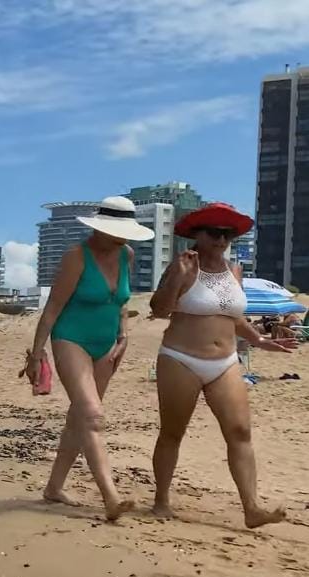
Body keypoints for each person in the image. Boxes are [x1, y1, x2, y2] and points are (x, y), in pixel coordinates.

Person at [147, 203, 291, 528]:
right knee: (172, 432)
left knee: (240, 431)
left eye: (227, 234)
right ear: (197, 234)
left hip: (225, 361)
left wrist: (260, 340)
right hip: (180, 358)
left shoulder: (234, 271)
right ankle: (161, 501)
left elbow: (234, 317)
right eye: (214, 232)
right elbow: (159, 310)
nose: (221, 239)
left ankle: (252, 507)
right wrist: (177, 280)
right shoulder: (183, 266)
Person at [25, 196, 151, 521]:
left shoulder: (127, 254)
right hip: (71, 339)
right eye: (117, 230)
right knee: (93, 415)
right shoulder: (76, 258)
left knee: (78, 418)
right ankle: (111, 498)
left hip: (106, 344)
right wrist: (37, 355)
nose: (123, 237)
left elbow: (122, 301)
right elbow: (52, 309)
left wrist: (124, 334)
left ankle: (53, 488)